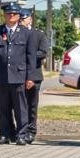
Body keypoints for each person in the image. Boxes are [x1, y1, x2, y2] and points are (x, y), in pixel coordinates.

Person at [0, 5, 31, 145]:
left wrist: (30, 77)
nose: (11, 16)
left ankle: (21, 135)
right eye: (8, 13)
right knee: (3, 108)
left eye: (14, 13)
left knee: (20, 108)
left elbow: (30, 57)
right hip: (2, 76)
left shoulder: (26, 33)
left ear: (18, 16)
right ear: (4, 15)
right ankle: (4, 134)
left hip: (19, 76)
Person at [20, 11, 48, 144]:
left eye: (23, 18)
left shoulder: (38, 34)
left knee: (32, 105)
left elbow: (43, 52)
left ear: (30, 19)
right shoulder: (17, 34)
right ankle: (21, 130)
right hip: (19, 74)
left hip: (34, 75)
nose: (21, 21)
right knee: (20, 105)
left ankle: (31, 131)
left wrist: (27, 55)